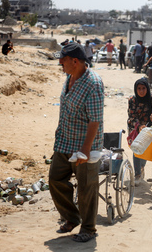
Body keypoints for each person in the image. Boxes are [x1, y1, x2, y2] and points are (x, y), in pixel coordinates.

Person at [49, 42, 104, 243]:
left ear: (75, 61)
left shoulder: (93, 84)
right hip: (64, 141)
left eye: (62, 59)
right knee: (55, 179)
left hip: (84, 145)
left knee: (86, 187)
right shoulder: (69, 76)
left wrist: (86, 150)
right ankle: (72, 217)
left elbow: (95, 120)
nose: (60, 63)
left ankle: (88, 228)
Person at [127, 78, 152, 185]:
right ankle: (137, 174)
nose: (141, 91)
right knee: (137, 149)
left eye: (143, 88)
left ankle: (141, 167)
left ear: (147, 88)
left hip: (148, 127)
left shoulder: (151, 97)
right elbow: (131, 117)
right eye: (139, 88)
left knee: (146, 149)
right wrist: (139, 126)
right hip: (136, 126)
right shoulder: (132, 100)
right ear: (135, 89)